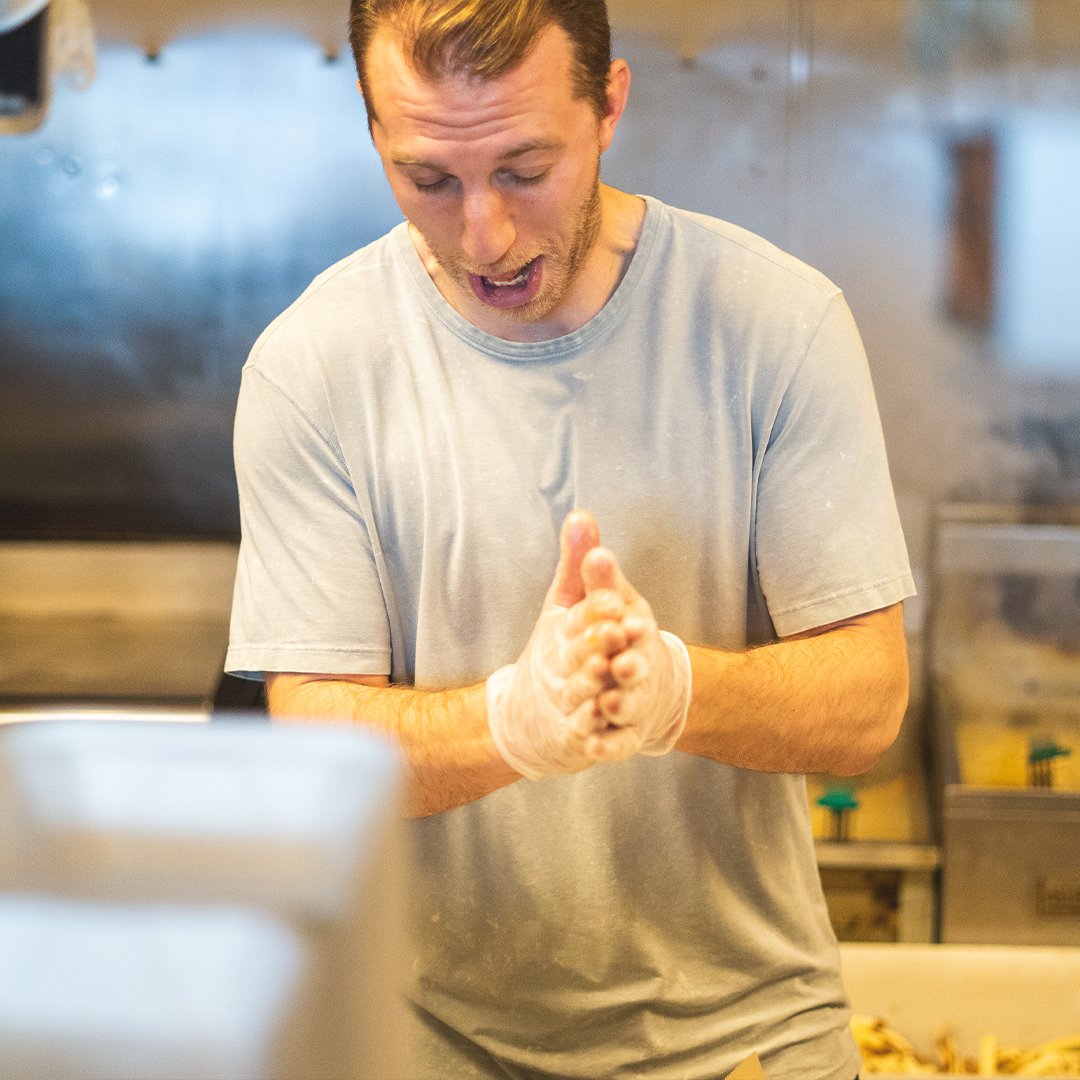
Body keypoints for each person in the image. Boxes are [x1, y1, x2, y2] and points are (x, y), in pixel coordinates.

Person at [225, 1, 914, 1076]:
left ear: (608, 109)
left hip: (754, 1040)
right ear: (373, 133)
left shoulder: (778, 325)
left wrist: (678, 693)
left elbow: (868, 702)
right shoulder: (313, 366)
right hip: (428, 1042)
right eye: (430, 179)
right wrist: (512, 721)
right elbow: (313, 739)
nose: (484, 235)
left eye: (525, 167)